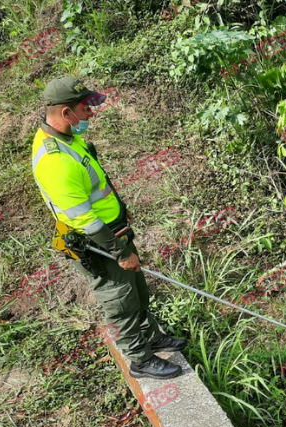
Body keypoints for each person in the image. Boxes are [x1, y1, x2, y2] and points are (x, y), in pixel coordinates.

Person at [31, 77, 185, 379]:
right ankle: (140, 359)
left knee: (138, 292)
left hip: (114, 232)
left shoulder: (68, 139)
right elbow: (83, 220)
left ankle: (152, 338)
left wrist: (122, 215)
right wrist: (120, 252)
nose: (90, 114)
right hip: (98, 242)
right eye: (84, 108)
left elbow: (97, 186)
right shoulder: (54, 160)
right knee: (120, 300)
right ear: (66, 113)